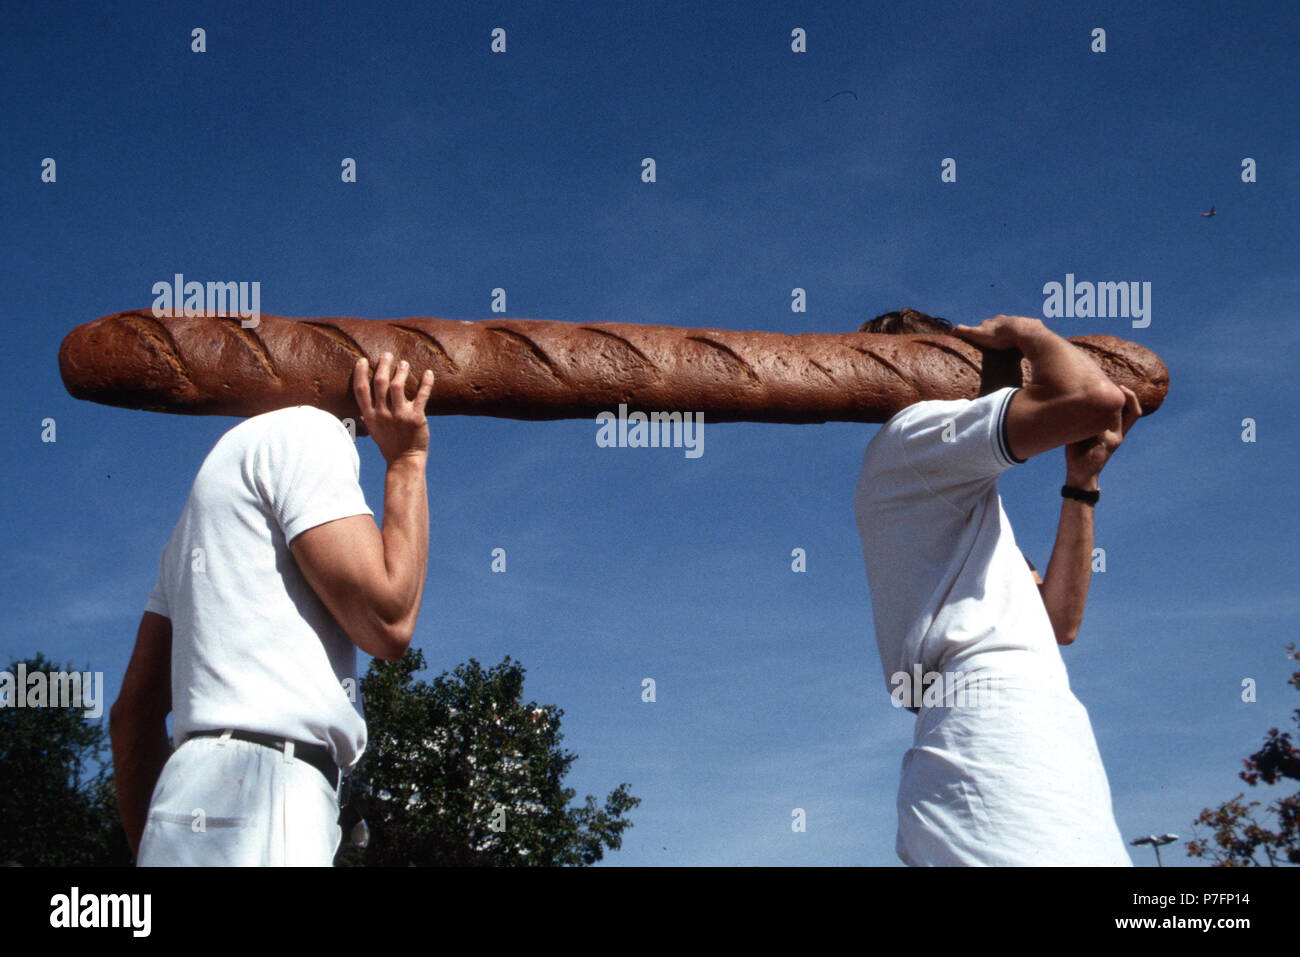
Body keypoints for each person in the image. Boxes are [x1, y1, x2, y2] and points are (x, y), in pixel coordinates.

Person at [110, 353, 434, 866]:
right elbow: (387, 620)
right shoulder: (306, 431)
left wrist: (160, 844)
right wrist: (406, 462)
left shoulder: (197, 514)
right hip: (267, 791)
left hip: (185, 796)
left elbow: (131, 719)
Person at [853, 309, 1142, 865]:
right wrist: (1028, 333)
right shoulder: (913, 435)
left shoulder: (960, 502)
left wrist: (1081, 485)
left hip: (1018, 724)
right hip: (995, 724)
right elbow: (1096, 400)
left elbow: (1059, 621)